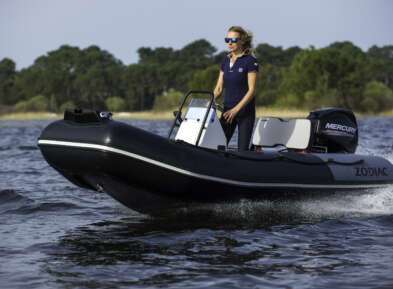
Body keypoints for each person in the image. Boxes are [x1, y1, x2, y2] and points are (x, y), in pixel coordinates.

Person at [213, 26, 259, 151]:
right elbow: (218, 88)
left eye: (233, 39)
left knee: (242, 150)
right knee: (218, 147)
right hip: (227, 112)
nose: (229, 42)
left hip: (244, 113)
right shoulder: (225, 60)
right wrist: (211, 99)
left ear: (242, 41)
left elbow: (252, 90)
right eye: (227, 39)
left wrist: (236, 110)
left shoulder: (250, 61)